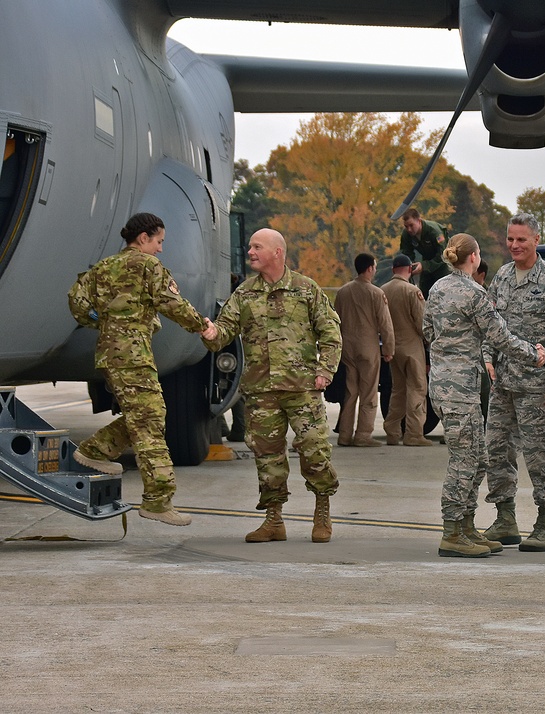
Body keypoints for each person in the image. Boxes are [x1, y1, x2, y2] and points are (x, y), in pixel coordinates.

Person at [67, 212, 215, 526]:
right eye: (159, 241)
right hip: (133, 354)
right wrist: (201, 325)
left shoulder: (103, 267)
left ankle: (95, 450)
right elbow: (172, 303)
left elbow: (77, 304)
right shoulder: (149, 267)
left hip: (110, 353)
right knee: (150, 420)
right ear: (144, 237)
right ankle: (158, 500)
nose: (161, 249)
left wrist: (105, 325)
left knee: (148, 414)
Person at [203, 228, 342, 544]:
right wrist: (211, 333)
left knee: (314, 451)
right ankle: (273, 520)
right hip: (261, 391)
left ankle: (322, 512)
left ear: (277, 252)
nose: (250, 251)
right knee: (267, 457)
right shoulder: (244, 294)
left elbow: (331, 333)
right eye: (250, 246)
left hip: (303, 389)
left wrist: (325, 371)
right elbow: (224, 331)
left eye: (257, 246)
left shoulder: (307, 290)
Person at [422, 233, 545, 558]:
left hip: (444, 383)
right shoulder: (475, 294)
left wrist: (447, 352)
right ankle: (451, 531)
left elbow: (427, 330)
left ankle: (465, 525)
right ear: (474, 257)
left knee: (477, 457)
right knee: (465, 461)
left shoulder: (437, 288)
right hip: (461, 388)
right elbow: (501, 337)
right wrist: (536, 355)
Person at [481, 213, 545, 553]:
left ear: (537, 239)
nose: (515, 245)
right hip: (503, 384)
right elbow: (490, 323)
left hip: (538, 387)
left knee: (541, 457)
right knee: (496, 450)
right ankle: (505, 519)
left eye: (521, 239)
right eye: (510, 239)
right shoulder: (503, 277)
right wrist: (487, 357)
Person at [334, 253, 395, 448]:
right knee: (368, 392)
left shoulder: (343, 292)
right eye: (374, 267)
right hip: (368, 347)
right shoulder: (376, 293)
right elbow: (385, 325)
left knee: (350, 392)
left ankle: (344, 434)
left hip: (347, 347)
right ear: (369, 269)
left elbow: (335, 320)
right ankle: (363, 434)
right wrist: (388, 348)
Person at [381, 254, 433, 447]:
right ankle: (414, 433)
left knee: (398, 390)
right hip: (412, 347)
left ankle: (392, 431)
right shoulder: (413, 291)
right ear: (410, 269)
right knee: (417, 388)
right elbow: (422, 323)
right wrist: (429, 342)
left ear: (393, 269)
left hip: (393, 346)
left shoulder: (383, 290)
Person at [399, 207, 449, 298]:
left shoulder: (435, 232)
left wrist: (424, 265)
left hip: (443, 265)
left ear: (419, 221)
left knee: (443, 294)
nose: (409, 229)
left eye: (411, 225)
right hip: (426, 262)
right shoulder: (406, 234)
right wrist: (410, 266)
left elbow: (443, 255)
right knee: (424, 293)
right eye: (406, 226)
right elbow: (406, 253)